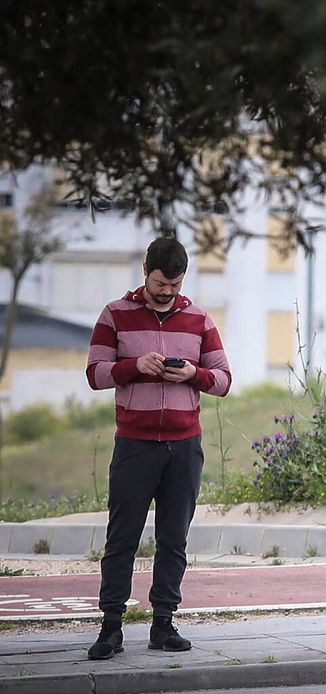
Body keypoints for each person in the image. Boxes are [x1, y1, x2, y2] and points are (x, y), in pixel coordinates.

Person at [83, 237, 232, 660]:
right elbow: (95, 373)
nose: (166, 292)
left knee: (174, 539)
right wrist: (133, 368)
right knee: (122, 538)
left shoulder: (199, 319)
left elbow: (222, 380)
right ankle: (110, 628)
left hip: (184, 445)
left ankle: (163, 623)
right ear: (145, 270)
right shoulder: (115, 314)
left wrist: (192, 375)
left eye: (174, 284)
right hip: (134, 444)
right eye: (159, 283)